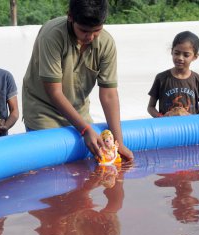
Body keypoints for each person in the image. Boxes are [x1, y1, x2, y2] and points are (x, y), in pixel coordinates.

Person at [22, 0, 133, 161]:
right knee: (48, 169)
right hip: (43, 111)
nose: (91, 36)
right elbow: (54, 92)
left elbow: (109, 95)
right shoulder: (52, 36)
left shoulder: (106, 43)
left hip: (79, 111)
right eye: (84, 30)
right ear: (70, 17)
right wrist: (85, 129)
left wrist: (119, 143)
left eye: (97, 30)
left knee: (92, 164)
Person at [147, 31, 199, 118]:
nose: (180, 58)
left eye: (186, 55)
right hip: (168, 128)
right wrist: (161, 117)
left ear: (195, 56)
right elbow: (150, 107)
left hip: (190, 128)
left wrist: (193, 119)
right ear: (171, 52)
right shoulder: (161, 78)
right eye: (177, 53)